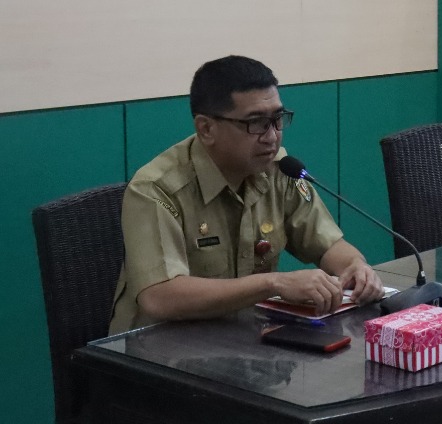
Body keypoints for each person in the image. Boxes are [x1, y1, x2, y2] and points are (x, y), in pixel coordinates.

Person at [109, 55, 383, 334]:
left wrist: (355, 267)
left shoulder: (278, 171)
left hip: (240, 338)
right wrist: (274, 283)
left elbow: (327, 245)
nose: (272, 136)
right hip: (155, 348)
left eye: (277, 119)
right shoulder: (156, 189)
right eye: (256, 123)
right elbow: (160, 297)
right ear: (206, 129)